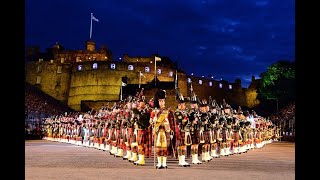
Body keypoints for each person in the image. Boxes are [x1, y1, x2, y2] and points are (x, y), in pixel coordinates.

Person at [151, 89, 174, 169]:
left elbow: (171, 122)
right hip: (157, 131)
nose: (161, 102)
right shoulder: (154, 111)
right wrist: (153, 120)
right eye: (160, 101)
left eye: (163, 101)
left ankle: (164, 163)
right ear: (158, 101)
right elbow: (151, 121)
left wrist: (172, 131)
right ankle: (159, 163)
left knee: (165, 147)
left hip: (165, 131)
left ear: (164, 101)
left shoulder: (168, 111)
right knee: (158, 147)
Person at [132, 89, 151, 166]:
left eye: (141, 102)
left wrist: (138, 114)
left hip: (143, 129)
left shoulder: (146, 111)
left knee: (141, 144)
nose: (140, 104)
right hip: (138, 129)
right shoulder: (139, 110)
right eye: (139, 103)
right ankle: (140, 159)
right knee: (139, 144)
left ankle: (142, 160)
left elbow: (144, 119)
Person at [174, 88, 191, 167]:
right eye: (181, 104)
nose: (183, 106)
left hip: (186, 130)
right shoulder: (177, 112)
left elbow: (188, 120)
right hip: (180, 130)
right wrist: (188, 119)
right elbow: (182, 121)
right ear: (178, 105)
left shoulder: (185, 112)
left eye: (184, 104)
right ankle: (180, 160)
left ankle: (183, 160)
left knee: (184, 146)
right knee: (181, 146)